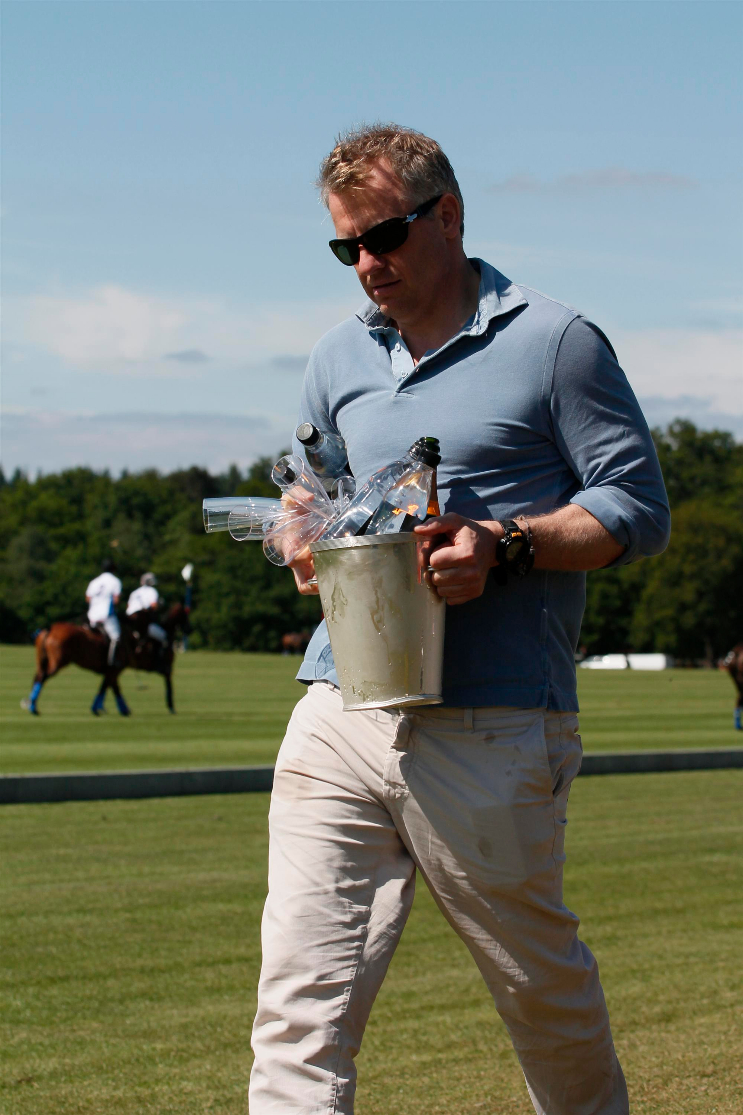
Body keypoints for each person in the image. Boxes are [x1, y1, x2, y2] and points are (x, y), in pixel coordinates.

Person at [249, 125, 671, 1115]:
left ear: (447, 215)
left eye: (383, 235)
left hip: (492, 718)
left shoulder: (555, 342)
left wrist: (504, 542)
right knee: (296, 1010)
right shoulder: (337, 355)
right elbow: (309, 490)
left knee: (539, 997)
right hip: (338, 708)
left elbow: (636, 508)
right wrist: (298, 531)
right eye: (345, 245)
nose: (366, 263)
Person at [85, 558, 122, 666]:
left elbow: (88, 599)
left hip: (92, 615)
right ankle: (112, 661)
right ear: (113, 569)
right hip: (107, 615)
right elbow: (116, 600)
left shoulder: (94, 581)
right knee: (116, 637)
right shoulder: (115, 581)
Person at [126, 572, 168, 649]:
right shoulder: (152, 591)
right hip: (143, 621)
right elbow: (153, 605)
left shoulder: (134, 592)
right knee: (163, 636)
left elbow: (128, 606)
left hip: (129, 620)